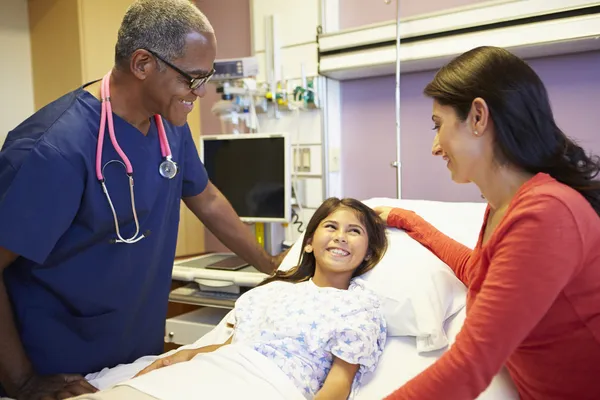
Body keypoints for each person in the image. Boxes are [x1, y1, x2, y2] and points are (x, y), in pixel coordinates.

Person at [0, 1, 287, 399]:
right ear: (142, 64)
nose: (200, 93)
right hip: (58, 369)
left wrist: (273, 268)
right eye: (193, 78)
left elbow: (206, 197)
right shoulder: (52, 150)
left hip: (134, 356)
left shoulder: (169, 124)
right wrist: (22, 380)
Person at [375, 46, 600, 400]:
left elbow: (467, 369)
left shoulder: (546, 213)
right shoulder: (503, 208)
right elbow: (477, 271)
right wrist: (408, 219)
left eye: (438, 126)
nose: (435, 147)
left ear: (478, 117)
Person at [71, 197, 388, 400]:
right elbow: (235, 345)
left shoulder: (357, 307)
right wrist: (177, 358)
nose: (340, 236)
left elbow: (338, 384)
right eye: (330, 226)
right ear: (308, 244)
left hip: (269, 386)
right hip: (217, 369)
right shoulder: (274, 291)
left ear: (367, 254)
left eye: (354, 231)